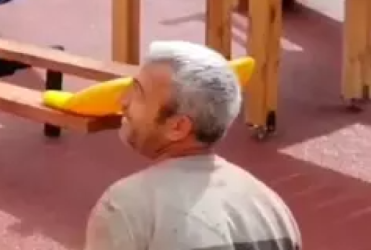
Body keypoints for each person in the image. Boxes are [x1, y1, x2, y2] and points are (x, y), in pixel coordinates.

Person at [84, 40, 301, 250]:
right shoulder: (272, 209)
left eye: (138, 93)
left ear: (178, 127)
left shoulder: (125, 208)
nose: (123, 101)